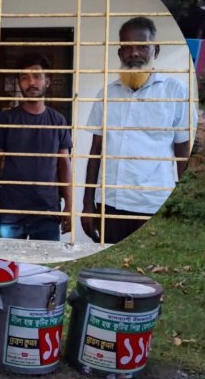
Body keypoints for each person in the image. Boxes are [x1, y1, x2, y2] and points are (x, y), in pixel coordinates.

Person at [82, 16, 194, 244]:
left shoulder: (175, 92)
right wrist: (87, 204)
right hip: (110, 205)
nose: (134, 53)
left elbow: (183, 154)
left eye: (142, 46)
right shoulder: (107, 94)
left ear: (156, 50)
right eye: (128, 48)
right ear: (120, 53)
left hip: (154, 204)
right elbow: (95, 153)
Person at [0, 54, 72, 240]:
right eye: (24, 77)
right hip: (10, 211)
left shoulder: (58, 121)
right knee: (8, 263)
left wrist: (70, 206)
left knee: (44, 262)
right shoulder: (6, 119)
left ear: (47, 82)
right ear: (19, 83)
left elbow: (64, 164)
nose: (31, 82)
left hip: (48, 211)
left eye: (37, 76)